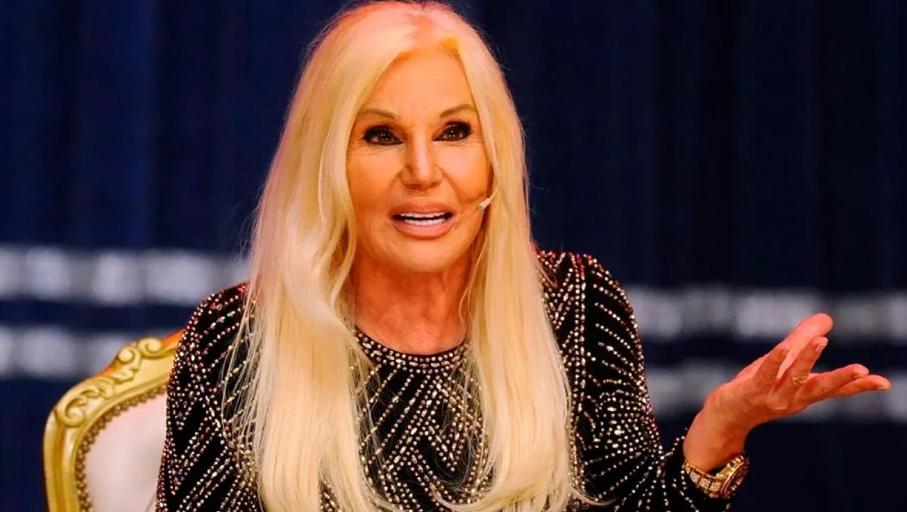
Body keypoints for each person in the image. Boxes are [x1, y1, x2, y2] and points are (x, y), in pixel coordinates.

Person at [154, 1, 891, 511]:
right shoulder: (236, 341)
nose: (423, 171)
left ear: (493, 157)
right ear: (328, 166)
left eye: (454, 132)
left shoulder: (576, 305)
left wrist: (715, 435)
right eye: (380, 136)